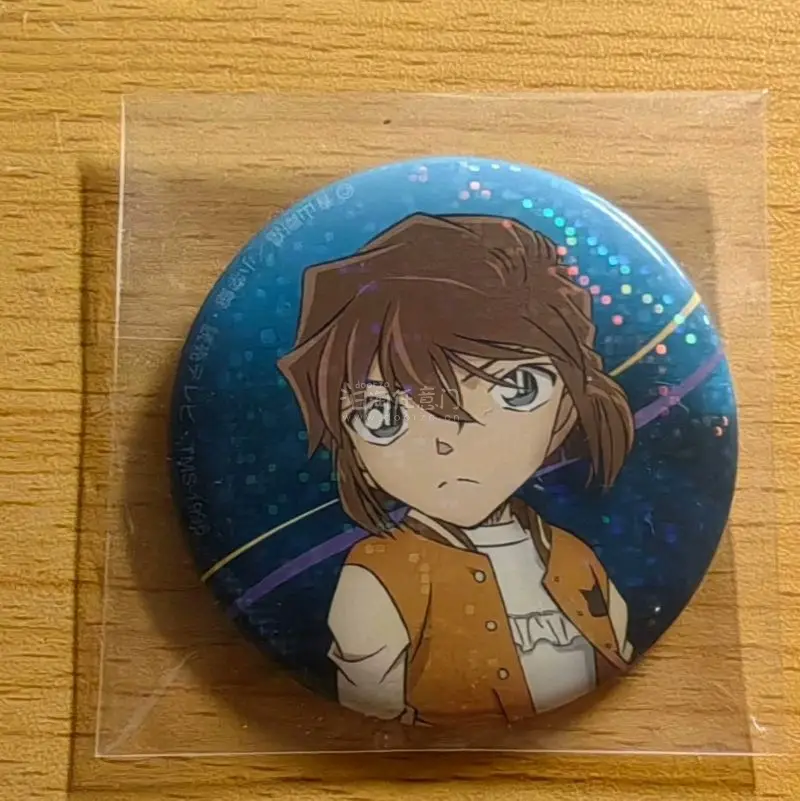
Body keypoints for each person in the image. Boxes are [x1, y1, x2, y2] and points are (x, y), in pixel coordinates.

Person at [278, 213, 636, 725]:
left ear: (566, 408)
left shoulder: (573, 557)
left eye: (516, 388)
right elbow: (371, 709)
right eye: (382, 415)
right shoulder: (384, 573)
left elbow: (617, 658)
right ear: (350, 444)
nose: (447, 441)